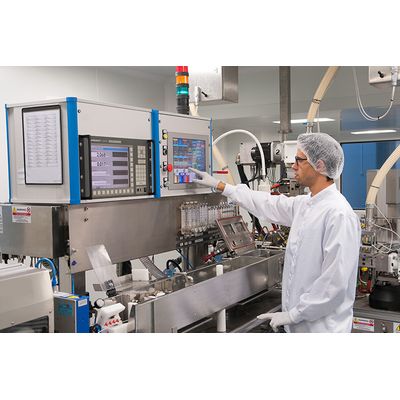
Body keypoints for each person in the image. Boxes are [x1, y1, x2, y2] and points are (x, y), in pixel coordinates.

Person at [190, 132, 361, 333]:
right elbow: (268, 203)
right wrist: (221, 186)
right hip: (300, 325)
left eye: (299, 160)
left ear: (320, 165)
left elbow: (334, 283)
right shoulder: (307, 204)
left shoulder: (339, 214)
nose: (293, 166)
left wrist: (294, 315)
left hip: (322, 330)